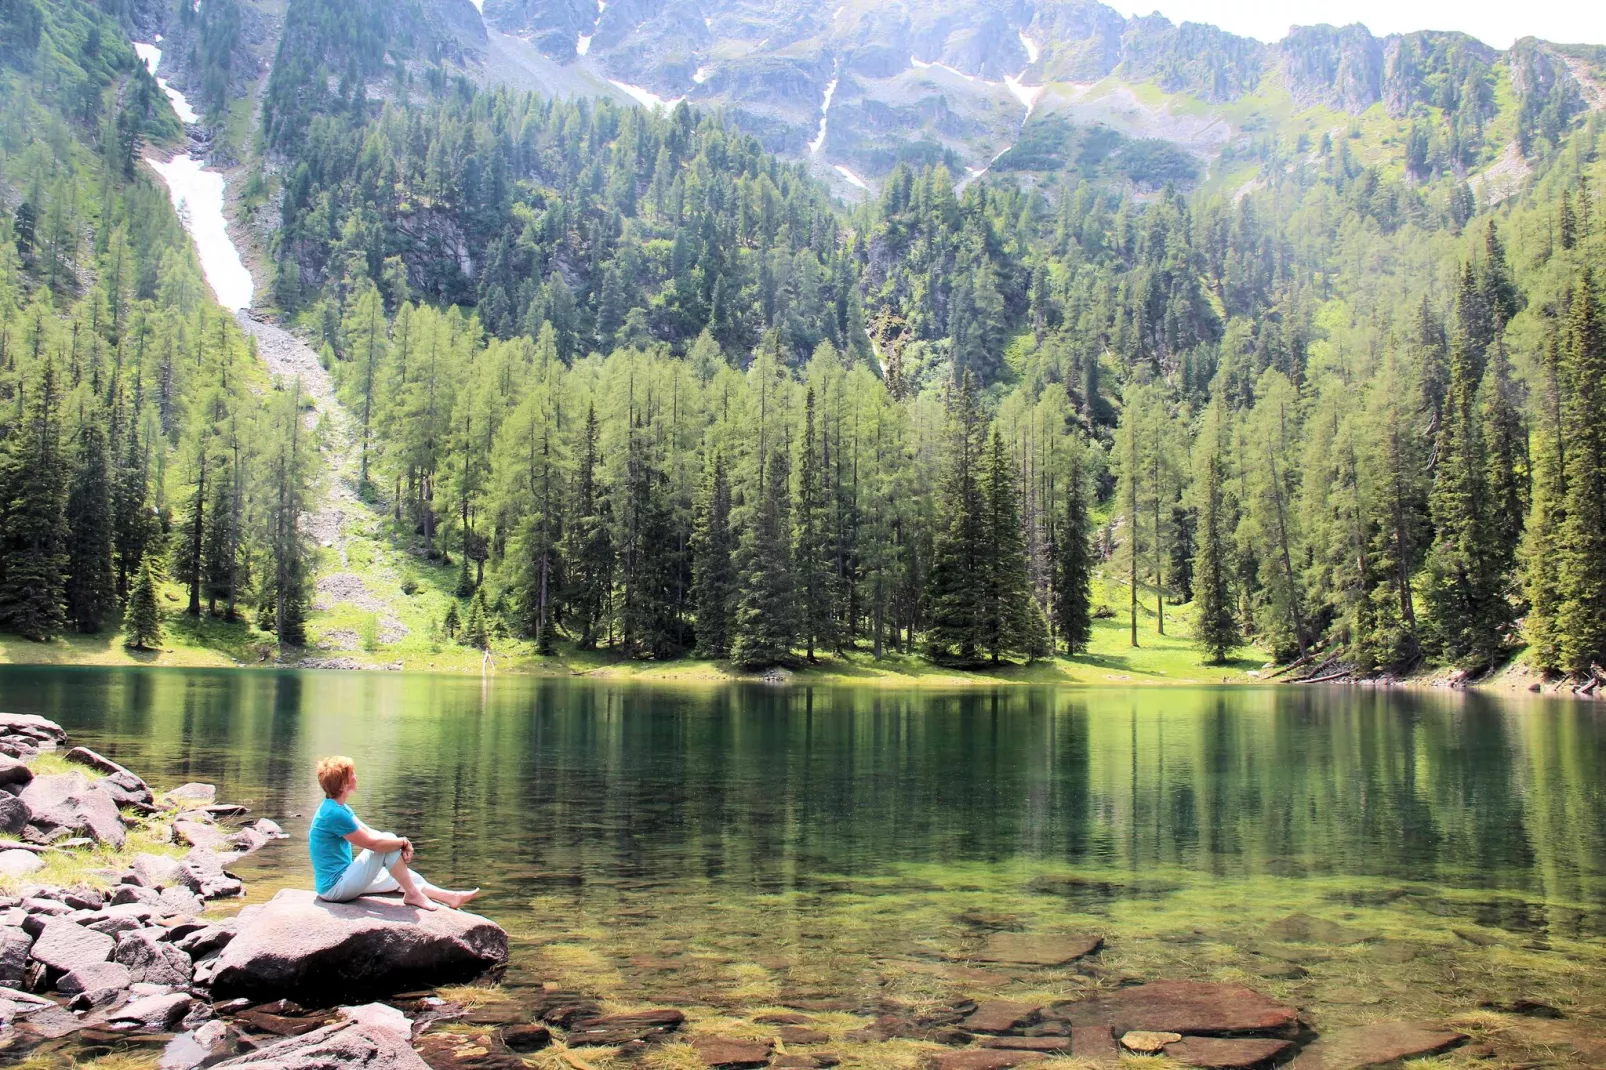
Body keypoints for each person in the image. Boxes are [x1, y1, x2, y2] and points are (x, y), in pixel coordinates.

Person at [308, 755, 478, 912]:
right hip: (335, 887)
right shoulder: (334, 814)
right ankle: (413, 895)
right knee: (387, 844)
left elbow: (370, 832)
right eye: (352, 774)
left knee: (396, 872)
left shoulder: (338, 808)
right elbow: (372, 844)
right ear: (344, 783)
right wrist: (402, 843)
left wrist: (399, 842)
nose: (356, 777)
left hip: (343, 878)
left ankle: (451, 897)